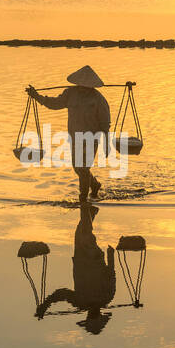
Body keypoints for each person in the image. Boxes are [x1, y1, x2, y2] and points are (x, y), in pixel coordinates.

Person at [27, 65, 110, 203]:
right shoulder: (70, 94)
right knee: (78, 168)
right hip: (75, 137)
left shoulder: (98, 99)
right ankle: (94, 184)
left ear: (91, 86)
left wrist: (106, 144)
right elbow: (54, 104)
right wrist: (36, 96)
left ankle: (83, 199)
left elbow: (105, 123)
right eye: (81, 85)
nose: (83, 88)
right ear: (77, 84)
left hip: (91, 138)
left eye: (86, 86)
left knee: (82, 168)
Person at [36, 203, 117, 334]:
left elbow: (61, 294)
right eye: (93, 316)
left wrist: (46, 305)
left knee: (80, 232)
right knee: (84, 234)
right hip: (93, 258)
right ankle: (85, 203)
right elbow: (110, 274)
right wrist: (110, 255)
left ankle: (90, 209)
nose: (91, 314)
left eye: (90, 316)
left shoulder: (81, 302)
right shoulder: (106, 297)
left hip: (81, 258)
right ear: (99, 315)